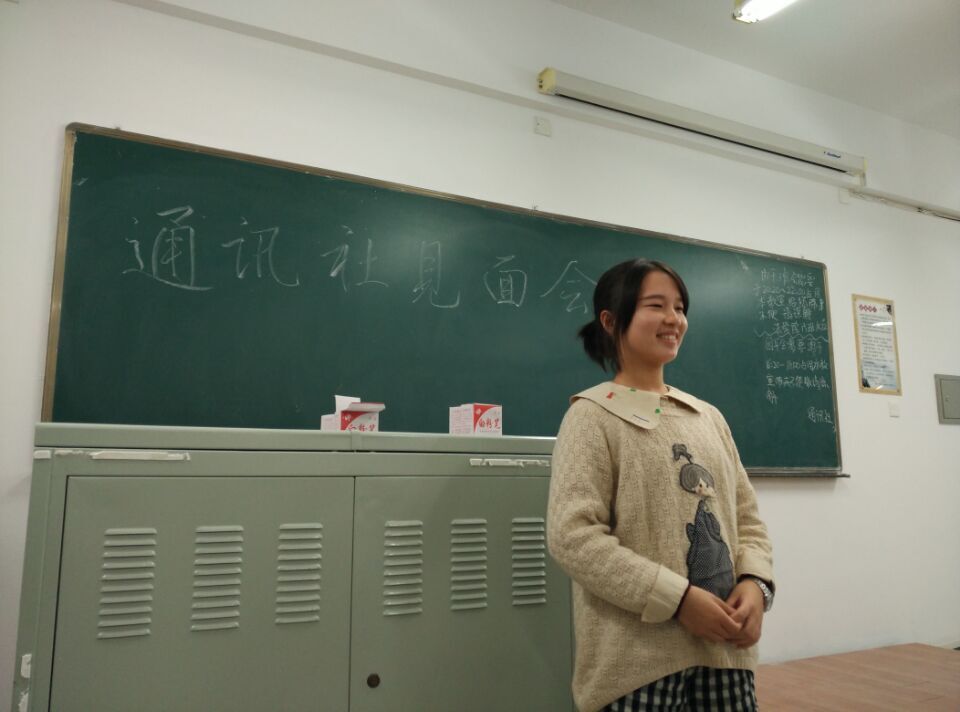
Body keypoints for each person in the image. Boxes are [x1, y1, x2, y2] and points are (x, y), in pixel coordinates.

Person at [547, 258, 775, 712]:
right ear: (610, 320)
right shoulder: (591, 416)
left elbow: (747, 521)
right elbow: (573, 536)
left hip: (725, 655)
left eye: (680, 307)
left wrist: (755, 584)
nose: (674, 319)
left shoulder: (708, 418)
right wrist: (678, 600)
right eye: (656, 305)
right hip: (636, 666)